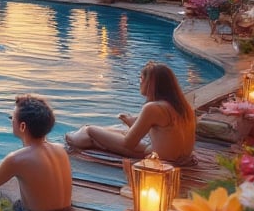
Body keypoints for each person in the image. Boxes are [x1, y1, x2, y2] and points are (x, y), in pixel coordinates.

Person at [64, 61, 195, 163]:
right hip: (178, 157)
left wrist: (132, 124)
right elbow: (164, 134)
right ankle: (91, 140)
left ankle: (72, 137)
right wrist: (133, 122)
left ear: (151, 84)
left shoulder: (153, 108)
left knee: (90, 130)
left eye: (141, 79)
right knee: (115, 131)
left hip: (159, 159)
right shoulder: (184, 107)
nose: (139, 82)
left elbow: (128, 143)